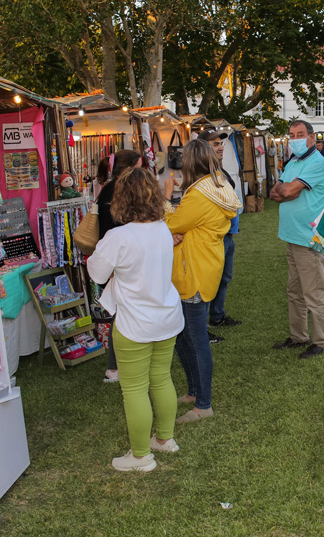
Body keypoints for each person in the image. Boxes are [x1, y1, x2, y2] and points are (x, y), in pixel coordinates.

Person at [86, 167, 183, 472]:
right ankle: (164, 439)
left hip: (134, 323)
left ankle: (141, 456)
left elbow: (96, 273)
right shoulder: (163, 229)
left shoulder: (119, 236)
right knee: (161, 378)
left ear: (121, 199)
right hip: (166, 316)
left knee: (135, 389)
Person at [165, 140, 241, 423]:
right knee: (182, 335)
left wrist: (165, 199)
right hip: (202, 265)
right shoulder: (217, 184)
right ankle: (195, 392)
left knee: (195, 339)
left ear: (188, 164)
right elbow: (183, 222)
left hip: (193, 271)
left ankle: (204, 404)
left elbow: (173, 224)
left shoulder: (198, 195)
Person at [269, 119, 324, 358]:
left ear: (311, 137)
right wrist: (287, 190)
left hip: (310, 238)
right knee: (294, 291)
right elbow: (276, 193)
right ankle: (299, 336)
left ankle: (320, 341)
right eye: (291, 134)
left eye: (300, 134)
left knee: (313, 293)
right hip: (292, 236)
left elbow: (284, 191)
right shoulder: (294, 162)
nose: (295, 138)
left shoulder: (317, 162)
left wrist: (287, 190)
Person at [95, 149, 143, 383]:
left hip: (114, 257)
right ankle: (115, 367)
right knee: (122, 314)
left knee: (121, 312)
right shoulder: (121, 191)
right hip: (120, 259)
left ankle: (116, 366)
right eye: (139, 167)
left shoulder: (107, 189)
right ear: (128, 169)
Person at [198, 128, 243, 330]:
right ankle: (202, 326)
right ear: (203, 147)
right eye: (215, 144)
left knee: (224, 277)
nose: (221, 147)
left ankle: (217, 316)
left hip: (227, 234)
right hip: (215, 236)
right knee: (209, 281)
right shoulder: (201, 172)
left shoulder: (218, 168)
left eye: (221, 143)